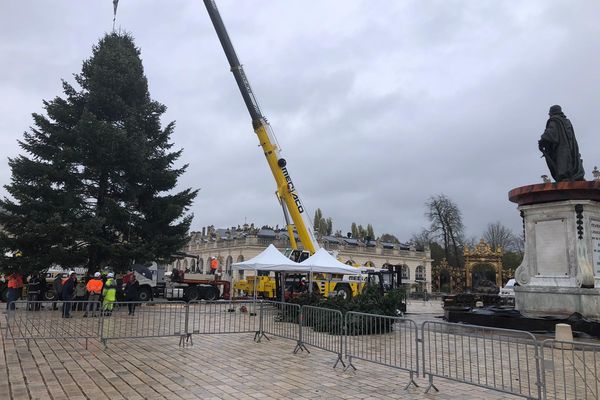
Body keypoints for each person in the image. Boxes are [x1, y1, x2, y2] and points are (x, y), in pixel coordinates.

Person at [538, 105, 585, 182]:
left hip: (561, 148)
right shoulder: (567, 121)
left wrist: (542, 140)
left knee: (562, 162)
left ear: (551, 113)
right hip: (571, 147)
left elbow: (551, 132)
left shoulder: (554, 121)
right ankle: (575, 175)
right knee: (572, 159)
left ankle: (564, 176)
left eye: (549, 113)